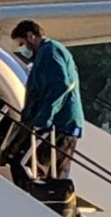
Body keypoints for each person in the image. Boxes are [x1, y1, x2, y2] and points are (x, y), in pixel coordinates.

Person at [14, 22, 84, 183]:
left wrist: (44, 118)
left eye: (22, 43)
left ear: (31, 36)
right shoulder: (48, 52)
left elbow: (60, 86)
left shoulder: (50, 52)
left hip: (59, 124)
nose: (22, 48)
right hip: (63, 123)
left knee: (24, 163)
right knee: (51, 174)